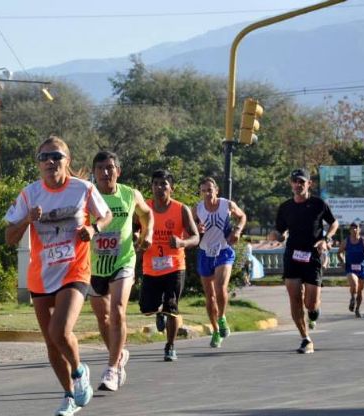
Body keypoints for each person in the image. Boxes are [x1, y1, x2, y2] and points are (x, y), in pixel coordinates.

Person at [4, 136, 112, 416]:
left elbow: (106, 214)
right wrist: (27, 219)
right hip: (41, 274)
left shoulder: (83, 189)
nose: (50, 162)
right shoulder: (29, 194)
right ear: (38, 164)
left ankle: (79, 371)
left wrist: (94, 229)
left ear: (68, 160)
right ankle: (68, 396)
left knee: (60, 331)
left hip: (74, 269)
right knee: (51, 342)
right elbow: (9, 237)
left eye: (56, 156)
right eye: (43, 157)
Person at [88, 151, 153, 392]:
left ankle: (112, 369)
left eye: (111, 167)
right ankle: (119, 354)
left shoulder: (129, 194)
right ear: (94, 173)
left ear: (119, 171)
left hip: (123, 261)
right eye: (101, 168)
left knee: (117, 311)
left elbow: (147, 214)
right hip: (93, 266)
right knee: (103, 319)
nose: (106, 172)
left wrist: (148, 233)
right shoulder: (86, 197)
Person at [269, 168, 338, 354]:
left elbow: (334, 223)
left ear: (309, 184)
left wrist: (327, 239)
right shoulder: (285, 207)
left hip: (313, 255)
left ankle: (314, 311)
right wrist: (275, 236)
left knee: (310, 304)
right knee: (294, 298)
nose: (298, 185)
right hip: (292, 255)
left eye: (301, 181)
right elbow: (281, 232)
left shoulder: (318, 204)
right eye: (294, 181)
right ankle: (305, 338)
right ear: (291, 184)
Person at [139, 169, 199, 362]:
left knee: (172, 307)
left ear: (171, 188)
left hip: (174, 266)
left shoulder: (181, 209)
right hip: (151, 267)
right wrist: (137, 239)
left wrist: (182, 243)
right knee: (147, 308)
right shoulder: (144, 208)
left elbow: (195, 237)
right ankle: (158, 312)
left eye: (164, 184)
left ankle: (170, 346)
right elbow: (132, 230)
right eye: (156, 184)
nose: (159, 188)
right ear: (151, 187)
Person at [193, 177, 246, 348]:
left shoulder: (227, 205)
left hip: (224, 251)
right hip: (204, 253)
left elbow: (242, 216)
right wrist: (195, 229)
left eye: (210, 190)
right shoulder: (197, 209)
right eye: (203, 191)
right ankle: (216, 330)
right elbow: (187, 227)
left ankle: (222, 318)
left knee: (220, 287)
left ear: (216, 190)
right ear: (200, 193)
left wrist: (237, 230)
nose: (207, 193)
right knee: (210, 296)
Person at [337, 222, 364, 318]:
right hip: (350, 267)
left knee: (360, 290)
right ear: (350, 230)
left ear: (359, 230)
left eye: (356, 228)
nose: (354, 230)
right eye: (352, 228)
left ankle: (358, 309)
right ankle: (352, 298)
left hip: (362, 268)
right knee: (354, 284)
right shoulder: (346, 242)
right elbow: (339, 253)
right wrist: (342, 261)